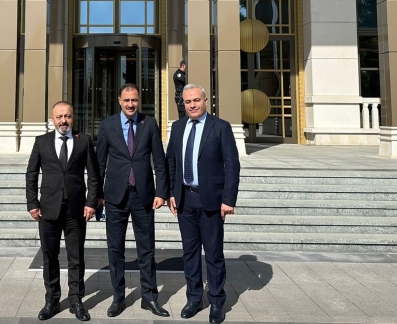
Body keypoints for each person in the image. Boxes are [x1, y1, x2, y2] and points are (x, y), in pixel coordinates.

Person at [166, 84, 240, 324]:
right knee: (189, 252)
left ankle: (217, 301)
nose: (192, 105)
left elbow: (232, 165)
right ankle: (194, 298)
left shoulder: (221, 127)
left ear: (206, 101)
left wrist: (228, 199)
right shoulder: (178, 127)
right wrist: (171, 193)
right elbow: (171, 162)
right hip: (185, 199)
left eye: (196, 100)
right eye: (188, 101)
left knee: (214, 253)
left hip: (212, 200)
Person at [96, 84, 170, 318]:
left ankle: (149, 297)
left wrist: (161, 192)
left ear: (139, 101)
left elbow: (160, 161)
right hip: (115, 197)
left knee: (146, 249)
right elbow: (99, 163)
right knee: (115, 249)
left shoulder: (150, 124)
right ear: (119, 100)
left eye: (134, 100)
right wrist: (97, 195)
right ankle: (118, 298)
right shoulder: (108, 125)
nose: (130, 104)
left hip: (143, 196)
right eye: (126, 100)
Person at [26, 101, 101, 322]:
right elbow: (31, 174)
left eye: (67, 116)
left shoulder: (84, 140)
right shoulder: (42, 142)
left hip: (76, 210)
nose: (63, 120)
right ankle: (52, 300)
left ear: (73, 117)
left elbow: (94, 176)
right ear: (52, 119)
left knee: (76, 257)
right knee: (49, 256)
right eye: (59, 117)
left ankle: (76, 300)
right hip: (47, 209)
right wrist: (32, 203)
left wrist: (91, 203)